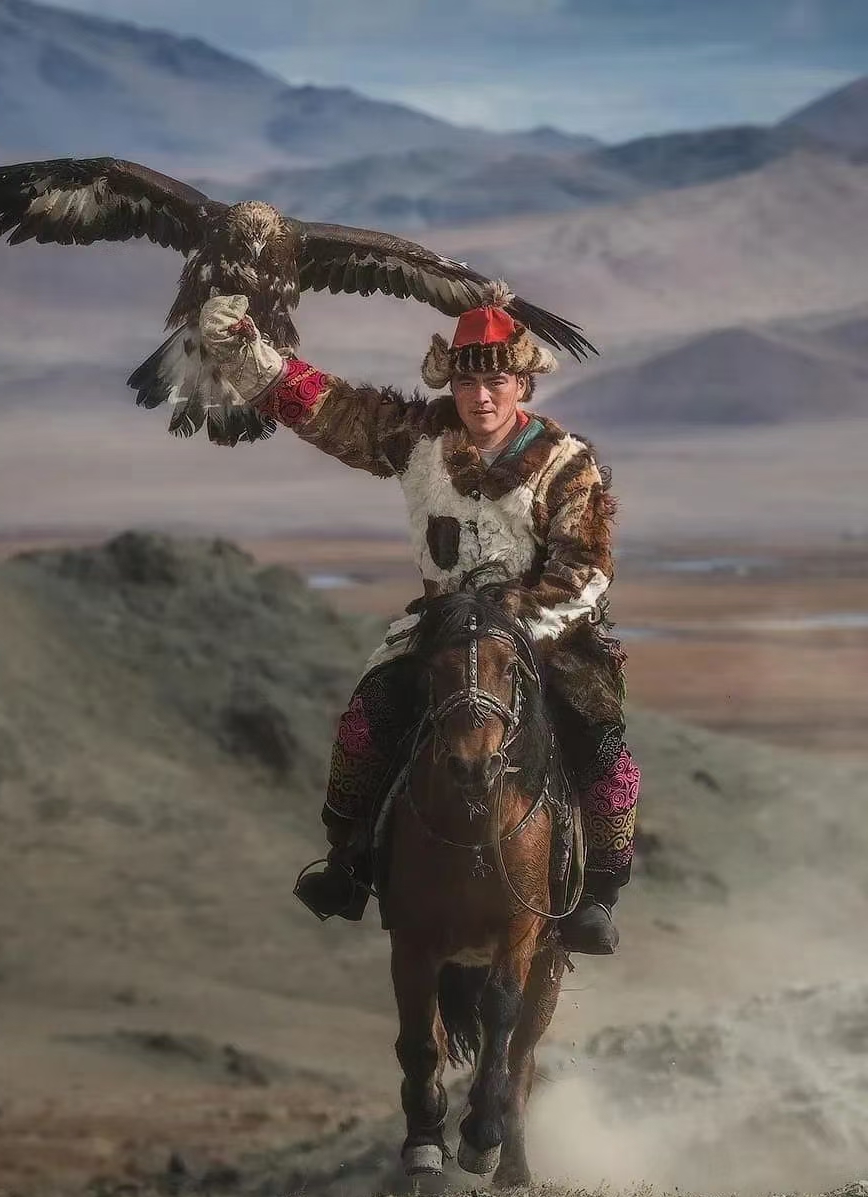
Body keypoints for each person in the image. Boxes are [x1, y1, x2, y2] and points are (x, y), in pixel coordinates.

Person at [197, 292, 640, 954]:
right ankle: (347, 863)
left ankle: (598, 893)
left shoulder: (567, 463)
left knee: (606, 751)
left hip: (546, 638)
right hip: (439, 629)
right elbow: (329, 409)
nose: (481, 397)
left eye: (496, 381)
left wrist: (518, 626)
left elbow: (587, 571)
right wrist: (240, 349)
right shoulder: (416, 437)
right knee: (365, 723)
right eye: (467, 380)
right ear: (448, 381)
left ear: (522, 382)